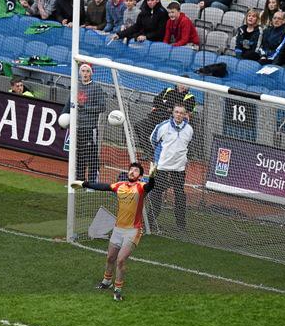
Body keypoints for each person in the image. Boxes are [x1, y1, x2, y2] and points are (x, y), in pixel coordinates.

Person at [71, 162, 156, 301]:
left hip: (133, 231)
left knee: (121, 260)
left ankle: (117, 290)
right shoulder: (120, 185)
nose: (132, 172)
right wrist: (83, 184)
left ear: (140, 176)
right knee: (110, 258)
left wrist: (152, 176)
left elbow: (150, 186)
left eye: (135, 171)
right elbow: (103, 186)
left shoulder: (141, 187)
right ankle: (106, 281)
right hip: (118, 229)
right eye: (131, 170)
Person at [148, 104, 193, 232]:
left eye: (181, 113)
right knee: (156, 193)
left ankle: (181, 225)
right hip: (162, 166)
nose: (179, 115)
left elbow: (187, 144)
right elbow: (153, 140)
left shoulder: (189, 129)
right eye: (176, 112)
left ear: (185, 115)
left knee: (179, 195)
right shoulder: (163, 126)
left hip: (179, 168)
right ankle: (150, 222)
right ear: (173, 113)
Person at [61, 64, 106, 183]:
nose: (85, 73)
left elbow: (102, 107)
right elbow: (68, 103)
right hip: (77, 126)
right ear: (80, 73)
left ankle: (92, 181)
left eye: (87, 71)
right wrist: (63, 117)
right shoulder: (76, 86)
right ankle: (79, 180)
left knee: (91, 155)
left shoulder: (96, 88)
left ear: (91, 73)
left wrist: (86, 108)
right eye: (83, 71)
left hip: (90, 127)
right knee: (78, 154)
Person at [135, 79, 196, 159]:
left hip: (169, 123)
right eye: (180, 83)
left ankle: (164, 154)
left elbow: (183, 110)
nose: (182, 86)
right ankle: (149, 152)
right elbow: (156, 100)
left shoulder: (190, 97)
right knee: (139, 126)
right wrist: (167, 106)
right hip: (154, 118)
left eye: (185, 84)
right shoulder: (168, 90)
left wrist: (165, 105)